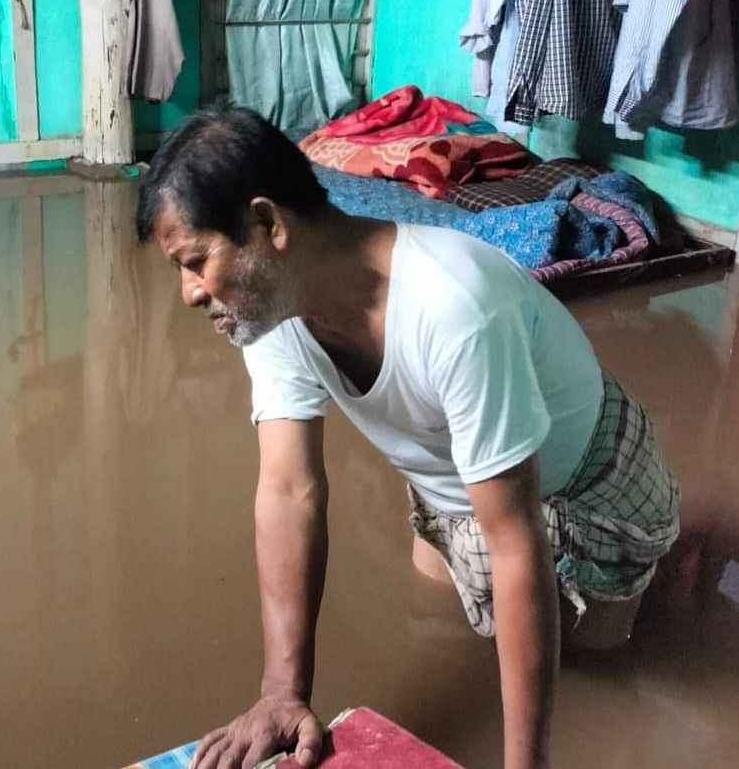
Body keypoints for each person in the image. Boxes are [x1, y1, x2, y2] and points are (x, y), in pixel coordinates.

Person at [135, 106, 680, 769]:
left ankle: (672, 562)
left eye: (195, 262)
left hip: (590, 483)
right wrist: (281, 693)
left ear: (267, 224)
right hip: (452, 484)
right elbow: (288, 489)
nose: (190, 293)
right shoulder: (266, 307)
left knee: (602, 663)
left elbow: (514, 543)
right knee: (438, 633)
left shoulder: (452, 307)